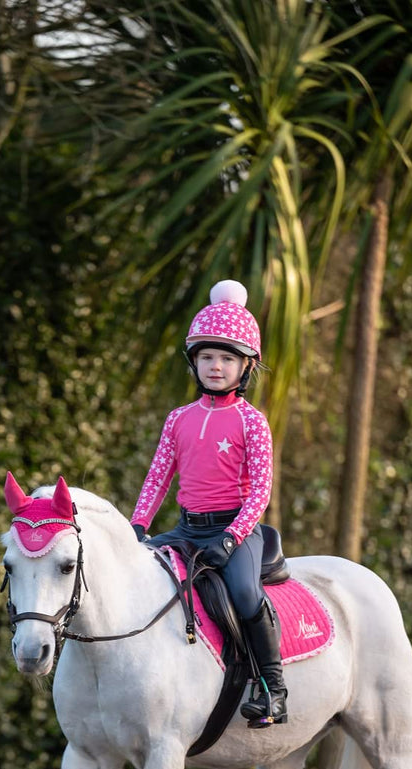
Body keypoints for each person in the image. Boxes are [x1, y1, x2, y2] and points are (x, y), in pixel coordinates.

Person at [130, 279, 288, 725]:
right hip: (186, 529)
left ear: (245, 367)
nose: (215, 366)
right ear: (193, 362)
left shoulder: (252, 422)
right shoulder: (178, 418)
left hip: (234, 531)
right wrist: (138, 527)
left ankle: (273, 689)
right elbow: (158, 476)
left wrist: (234, 537)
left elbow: (260, 492)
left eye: (226, 358)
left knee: (243, 592)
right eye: (206, 357)